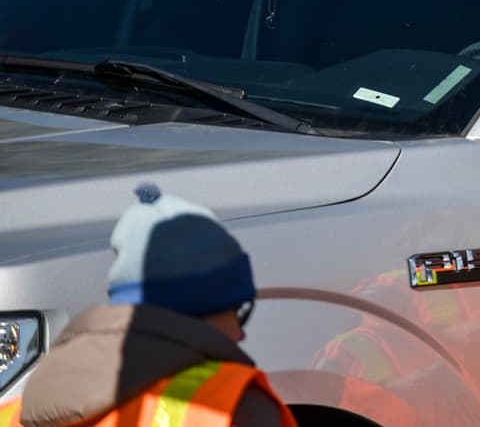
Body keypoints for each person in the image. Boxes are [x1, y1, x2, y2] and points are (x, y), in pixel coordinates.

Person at [1, 183, 296, 427]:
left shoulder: (15, 412)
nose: (241, 336)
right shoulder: (235, 407)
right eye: (240, 311)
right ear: (202, 305)